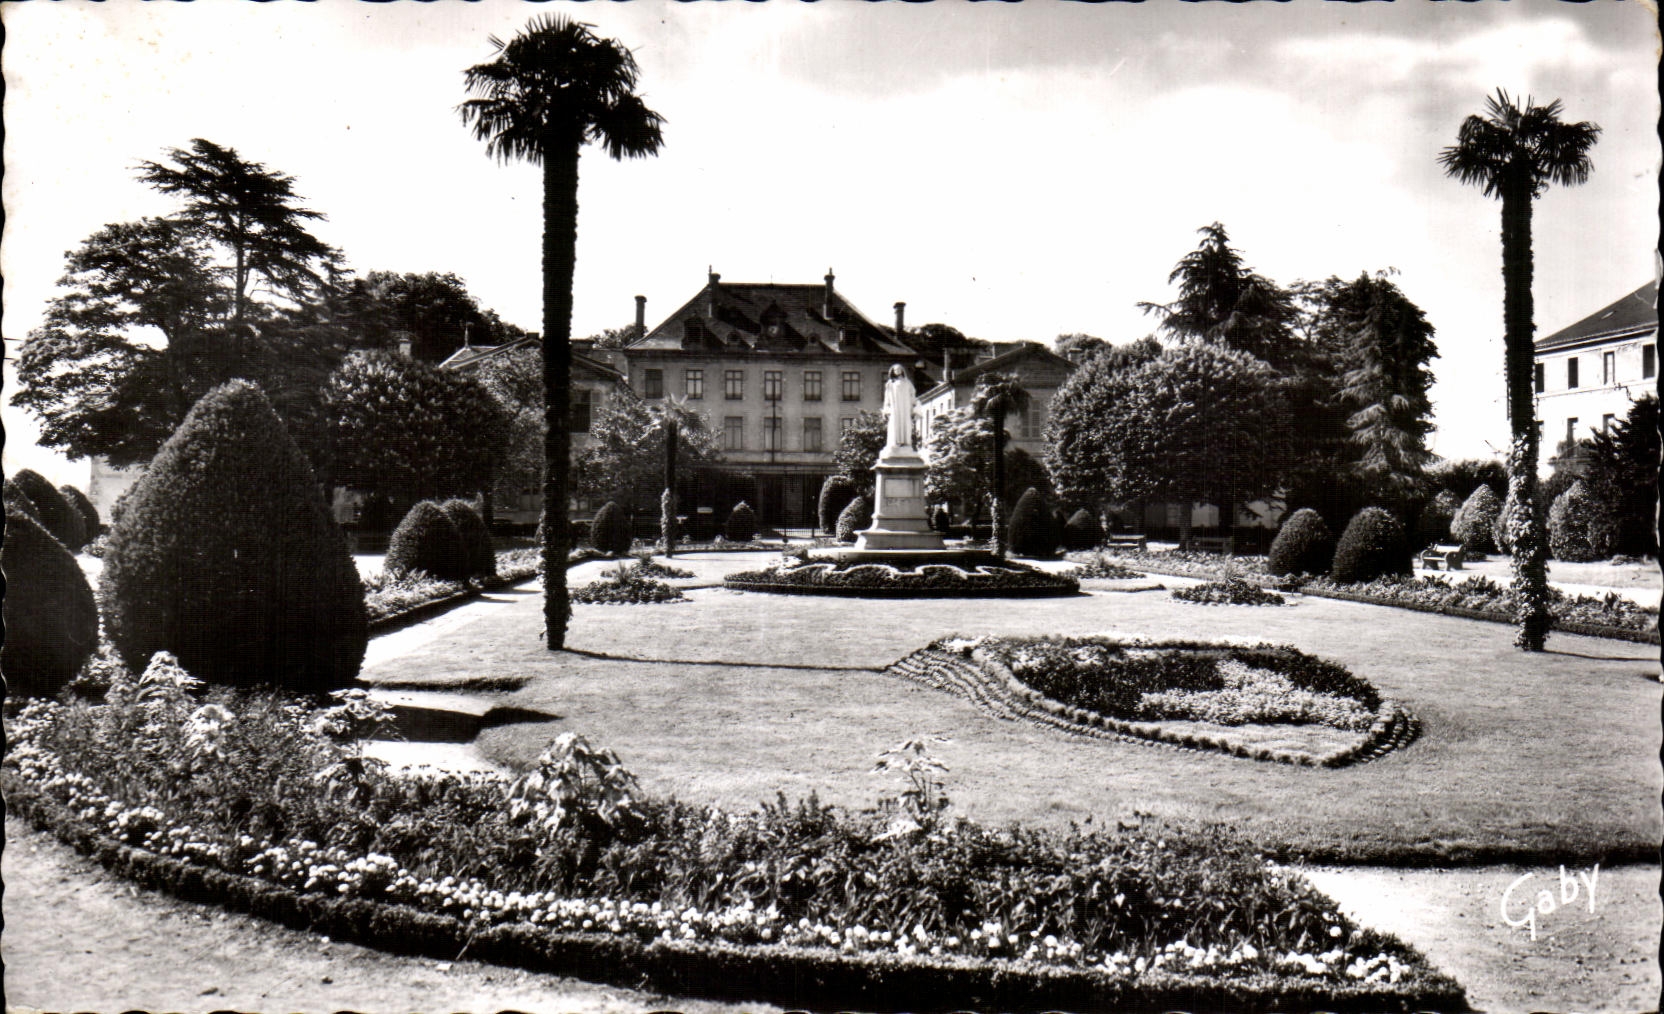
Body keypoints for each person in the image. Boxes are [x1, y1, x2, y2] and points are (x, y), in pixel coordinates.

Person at [882, 364, 914, 451]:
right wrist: (886, 409)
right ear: (893, 372)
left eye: (899, 369)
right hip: (895, 407)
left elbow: (912, 394)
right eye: (895, 370)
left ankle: (905, 442)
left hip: (905, 407)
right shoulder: (890, 383)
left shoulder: (907, 383)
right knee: (895, 422)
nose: (897, 371)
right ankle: (895, 442)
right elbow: (887, 397)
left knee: (905, 423)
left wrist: (912, 406)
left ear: (902, 370)